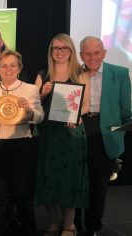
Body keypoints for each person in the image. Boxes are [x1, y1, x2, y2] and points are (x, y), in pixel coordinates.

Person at [0, 50, 43, 236]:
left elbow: (39, 117)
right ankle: (2, 226)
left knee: (21, 191)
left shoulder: (30, 89)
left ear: (19, 68)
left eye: (13, 65)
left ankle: (28, 229)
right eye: (4, 65)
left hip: (20, 144)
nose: (8, 69)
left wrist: (28, 110)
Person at [33, 33, 90, 236]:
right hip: (48, 133)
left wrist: (75, 116)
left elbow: (85, 105)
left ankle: (69, 225)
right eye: (55, 48)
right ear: (51, 51)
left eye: (63, 48)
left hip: (71, 133)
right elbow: (34, 105)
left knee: (70, 178)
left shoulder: (80, 73)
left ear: (71, 51)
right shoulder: (42, 74)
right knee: (48, 177)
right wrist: (43, 94)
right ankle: (52, 221)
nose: (59, 52)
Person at [78, 36, 131, 236]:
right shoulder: (74, 73)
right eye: (88, 53)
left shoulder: (120, 73)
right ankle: (73, 223)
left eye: (96, 53)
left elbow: (126, 111)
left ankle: (93, 227)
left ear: (104, 53)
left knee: (98, 184)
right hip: (79, 128)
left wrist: (122, 131)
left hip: (106, 133)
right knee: (77, 180)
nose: (92, 57)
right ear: (81, 55)